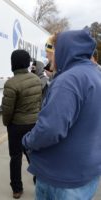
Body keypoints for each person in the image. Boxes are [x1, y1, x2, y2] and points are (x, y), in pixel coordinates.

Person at [22, 29, 101, 199]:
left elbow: (50, 129)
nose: (50, 58)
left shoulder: (69, 80)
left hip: (62, 178)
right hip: (86, 173)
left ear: (65, 50)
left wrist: (28, 140)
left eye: (53, 52)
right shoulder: (96, 75)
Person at [1, 49, 42, 199]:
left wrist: (7, 123)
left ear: (13, 64)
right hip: (34, 124)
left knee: (16, 157)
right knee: (34, 154)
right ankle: (39, 179)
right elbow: (40, 103)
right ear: (27, 63)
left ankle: (17, 189)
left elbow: (7, 110)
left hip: (17, 126)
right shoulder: (37, 80)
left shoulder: (11, 84)